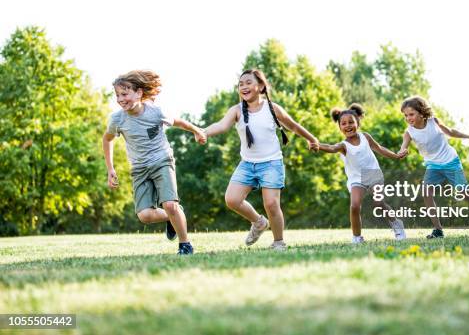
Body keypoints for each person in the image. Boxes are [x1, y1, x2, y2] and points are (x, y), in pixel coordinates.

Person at [201, 69, 319, 251]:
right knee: (232, 200)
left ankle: (279, 242)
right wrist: (204, 132)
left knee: (271, 203)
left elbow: (293, 125)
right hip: (247, 164)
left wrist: (311, 139)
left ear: (261, 86)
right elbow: (221, 125)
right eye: (241, 84)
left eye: (248, 82)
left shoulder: (272, 108)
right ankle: (258, 222)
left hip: (271, 163)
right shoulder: (237, 111)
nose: (244, 86)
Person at [102, 70, 206, 255]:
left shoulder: (156, 112)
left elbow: (178, 122)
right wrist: (110, 169)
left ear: (139, 93)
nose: (120, 99)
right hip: (139, 168)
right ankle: (172, 217)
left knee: (170, 204)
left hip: (162, 160)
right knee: (145, 216)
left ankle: (185, 244)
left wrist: (196, 130)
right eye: (117, 95)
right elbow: (107, 139)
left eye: (124, 94)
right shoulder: (117, 119)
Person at [398, 96, 469, 238]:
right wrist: (403, 150)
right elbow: (404, 145)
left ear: (421, 112)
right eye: (406, 115)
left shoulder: (433, 121)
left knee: (464, 192)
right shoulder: (409, 132)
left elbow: (451, 132)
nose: (408, 118)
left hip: (450, 161)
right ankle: (438, 230)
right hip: (433, 165)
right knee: (426, 193)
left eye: (411, 114)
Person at [317, 104, 407, 243]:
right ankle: (357, 237)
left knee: (379, 203)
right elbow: (331, 147)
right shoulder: (343, 145)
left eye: (351, 122)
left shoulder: (365, 137)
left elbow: (379, 148)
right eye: (344, 123)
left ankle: (396, 224)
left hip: (373, 174)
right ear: (340, 127)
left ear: (357, 123)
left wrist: (395, 156)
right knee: (354, 205)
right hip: (356, 179)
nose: (348, 126)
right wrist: (318, 145)